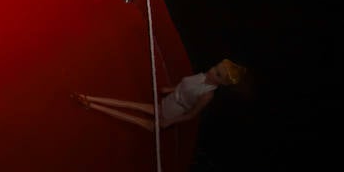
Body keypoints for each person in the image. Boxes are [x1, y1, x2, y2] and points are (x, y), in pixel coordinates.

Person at [76, 59, 245, 131]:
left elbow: (192, 114)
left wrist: (170, 121)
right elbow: (184, 85)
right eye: (216, 68)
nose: (212, 71)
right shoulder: (202, 76)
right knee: (131, 105)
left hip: (173, 111)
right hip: (168, 101)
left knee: (135, 119)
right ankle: (90, 99)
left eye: (217, 74)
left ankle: (92, 105)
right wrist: (171, 90)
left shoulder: (207, 96)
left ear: (222, 83)